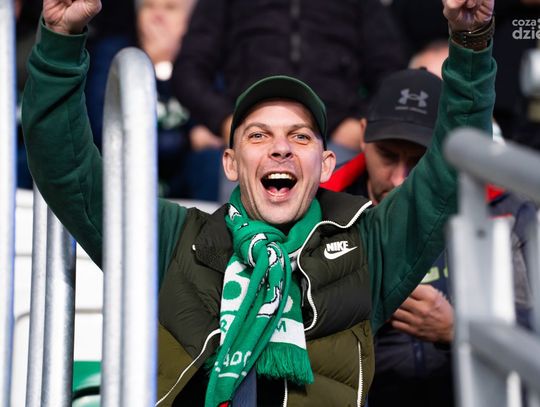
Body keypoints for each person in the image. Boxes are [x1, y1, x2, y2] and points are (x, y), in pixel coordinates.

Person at [22, 0, 496, 405]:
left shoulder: (366, 246)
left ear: (327, 164)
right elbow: (69, 171)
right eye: (258, 135)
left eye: (300, 136)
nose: (281, 148)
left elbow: (449, 173)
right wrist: (61, 39)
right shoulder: (175, 240)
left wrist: (470, 41)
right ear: (230, 163)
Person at [322, 54, 535, 407]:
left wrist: (458, 330)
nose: (399, 179)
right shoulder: (324, 212)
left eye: (419, 161)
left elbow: (533, 331)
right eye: (387, 155)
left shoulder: (503, 210)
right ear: (362, 135)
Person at [136, 0, 222, 200]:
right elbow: (109, 136)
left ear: (190, 20)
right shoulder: (114, 57)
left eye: (170, 8)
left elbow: (210, 134)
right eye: (148, 6)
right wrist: (187, 139)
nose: (157, 16)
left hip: (187, 190)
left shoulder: (209, 67)